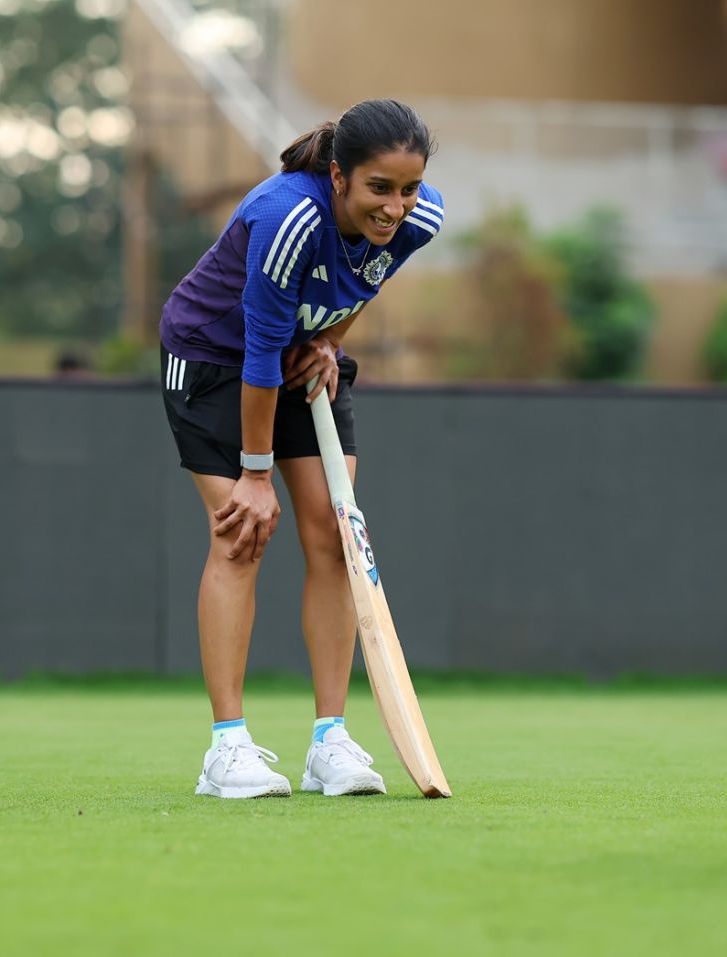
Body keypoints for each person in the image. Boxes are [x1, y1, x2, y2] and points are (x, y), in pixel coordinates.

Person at [159, 99, 444, 798]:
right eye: (380, 188)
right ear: (340, 176)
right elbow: (258, 353)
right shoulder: (291, 218)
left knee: (336, 535)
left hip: (299, 358)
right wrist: (256, 475)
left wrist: (331, 341)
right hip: (216, 361)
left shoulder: (420, 220)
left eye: (408, 189)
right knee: (241, 535)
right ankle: (227, 748)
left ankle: (331, 740)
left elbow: (360, 284)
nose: (395, 207)